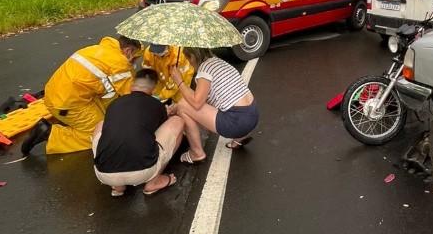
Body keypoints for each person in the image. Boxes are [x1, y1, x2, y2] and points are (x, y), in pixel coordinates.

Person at [22, 35, 142, 156]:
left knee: (108, 116)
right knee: (101, 135)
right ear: (128, 51)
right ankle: (49, 133)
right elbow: (131, 97)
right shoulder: (119, 62)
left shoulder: (98, 49)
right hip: (67, 104)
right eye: (135, 57)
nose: (135, 62)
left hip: (57, 95)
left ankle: (75, 122)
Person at [91, 68, 185, 196]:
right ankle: (154, 181)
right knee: (177, 122)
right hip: (144, 170)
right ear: (154, 88)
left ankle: (118, 187)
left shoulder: (114, 104)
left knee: (101, 125)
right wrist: (165, 113)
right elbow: (158, 128)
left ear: (132, 85)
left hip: (104, 173)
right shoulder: (156, 104)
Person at [171, 47, 258, 163]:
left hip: (236, 122)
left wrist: (179, 81)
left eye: (188, 59)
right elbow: (199, 98)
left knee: (182, 106)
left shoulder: (204, 70)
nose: (189, 63)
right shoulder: (217, 61)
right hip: (253, 114)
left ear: (192, 57)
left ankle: (197, 153)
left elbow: (197, 104)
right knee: (184, 103)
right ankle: (241, 137)